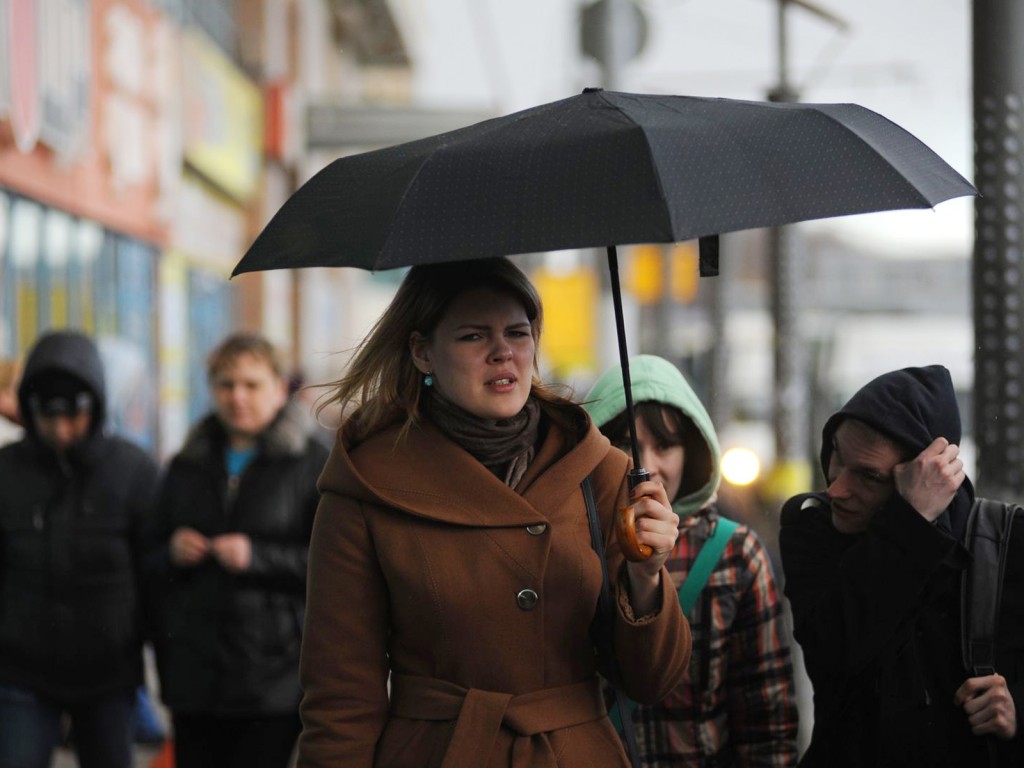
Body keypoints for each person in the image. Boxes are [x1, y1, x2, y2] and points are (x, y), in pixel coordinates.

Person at [297, 257, 691, 767]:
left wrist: (646, 576)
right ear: (422, 352)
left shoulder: (600, 470)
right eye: (473, 336)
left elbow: (652, 681)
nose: (503, 352)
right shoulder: (370, 485)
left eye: (518, 333)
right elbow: (341, 699)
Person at [779, 365, 1022, 767]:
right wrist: (910, 521)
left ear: (928, 476)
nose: (836, 488)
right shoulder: (812, 528)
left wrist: (1016, 716)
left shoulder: (1003, 543)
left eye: (868, 476)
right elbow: (836, 651)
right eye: (837, 454)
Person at [585, 354, 799, 767]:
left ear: (693, 452)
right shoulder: (568, 546)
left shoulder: (736, 554)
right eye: (625, 444)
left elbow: (768, 726)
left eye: (665, 445)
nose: (646, 467)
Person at [147, 332, 329, 768]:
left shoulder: (312, 463)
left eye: (252, 384)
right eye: (226, 384)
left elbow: (334, 564)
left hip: (272, 677)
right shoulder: (188, 461)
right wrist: (172, 551)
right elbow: (146, 555)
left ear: (280, 388)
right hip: (193, 674)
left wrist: (257, 557)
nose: (238, 397)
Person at [0, 329, 159, 768]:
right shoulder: (7, 472)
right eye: (48, 416)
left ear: (96, 405)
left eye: (73, 416)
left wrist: (151, 648)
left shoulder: (133, 471)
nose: (61, 430)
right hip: (20, 669)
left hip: (108, 673)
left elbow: (155, 572)